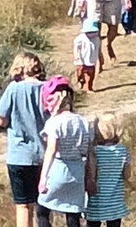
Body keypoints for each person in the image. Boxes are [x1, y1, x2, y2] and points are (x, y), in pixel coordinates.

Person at [0, 52, 50, 227]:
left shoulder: (13, 88)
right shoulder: (47, 88)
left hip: (19, 154)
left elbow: (1, 119)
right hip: (44, 153)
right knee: (43, 204)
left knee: (23, 205)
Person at [37, 76, 92, 227]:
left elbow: (51, 150)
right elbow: (89, 151)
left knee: (43, 209)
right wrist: (90, 176)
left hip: (58, 169)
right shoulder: (83, 122)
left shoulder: (54, 123)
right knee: (73, 211)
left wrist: (43, 178)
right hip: (77, 170)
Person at [84, 114, 132, 227]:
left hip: (96, 200)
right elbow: (127, 175)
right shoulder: (123, 150)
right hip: (115, 201)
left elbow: (91, 173)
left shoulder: (94, 151)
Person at [73, 17, 102, 91]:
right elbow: (76, 47)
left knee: (91, 74)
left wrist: (100, 57)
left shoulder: (97, 39)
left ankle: (89, 87)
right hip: (81, 60)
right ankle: (80, 79)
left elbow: (98, 49)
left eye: (93, 32)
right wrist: (76, 56)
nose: (92, 34)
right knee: (80, 71)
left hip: (91, 60)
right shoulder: (80, 38)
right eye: (89, 32)